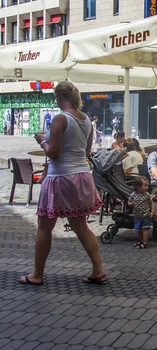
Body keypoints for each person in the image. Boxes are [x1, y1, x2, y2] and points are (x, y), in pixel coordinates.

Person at [21, 81, 106, 286]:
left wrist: (42, 140)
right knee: (81, 226)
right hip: (81, 176)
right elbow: (85, 152)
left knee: (44, 227)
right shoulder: (86, 120)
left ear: (59, 97)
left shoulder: (60, 119)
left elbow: (53, 153)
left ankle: (37, 275)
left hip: (60, 178)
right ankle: (98, 269)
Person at [128, 176, 154, 249]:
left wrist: (152, 211)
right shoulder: (133, 195)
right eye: (145, 185)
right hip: (137, 215)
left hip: (145, 215)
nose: (147, 187)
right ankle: (141, 240)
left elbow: (151, 203)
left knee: (144, 229)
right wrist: (131, 204)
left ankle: (145, 243)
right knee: (138, 229)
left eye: (147, 185)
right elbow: (128, 202)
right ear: (138, 187)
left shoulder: (147, 195)